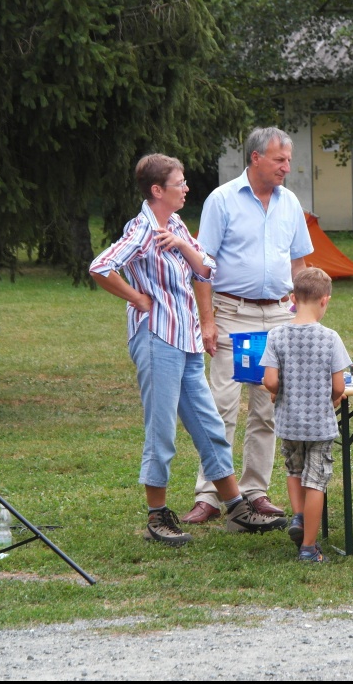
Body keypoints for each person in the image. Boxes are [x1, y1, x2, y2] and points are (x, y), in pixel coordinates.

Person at [90, 154, 287, 546]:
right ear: (157, 190)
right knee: (162, 429)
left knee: (209, 424)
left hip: (187, 338)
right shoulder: (142, 229)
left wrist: (182, 243)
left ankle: (236, 507)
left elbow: (207, 268)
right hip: (157, 338)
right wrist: (137, 298)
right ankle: (157, 515)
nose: (186, 188)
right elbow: (100, 267)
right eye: (179, 183)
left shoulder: (175, 224)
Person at [182, 128, 314, 525]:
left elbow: (300, 264)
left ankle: (255, 491)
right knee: (220, 407)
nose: (286, 168)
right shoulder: (222, 200)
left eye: (288, 160)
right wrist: (208, 320)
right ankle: (209, 494)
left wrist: (303, 316)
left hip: (278, 316)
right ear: (256, 158)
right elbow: (203, 267)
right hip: (231, 313)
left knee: (267, 409)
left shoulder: (289, 202)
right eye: (279, 160)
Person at [260, 268, 351, 562]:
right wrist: (335, 399)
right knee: (316, 481)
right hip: (320, 425)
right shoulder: (330, 338)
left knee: (293, 470)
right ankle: (309, 548)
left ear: (293, 298)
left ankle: (298, 517)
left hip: (288, 421)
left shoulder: (276, 335)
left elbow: (270, 381)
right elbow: (339, 386)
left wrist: (276, 391)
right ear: (324, 301)